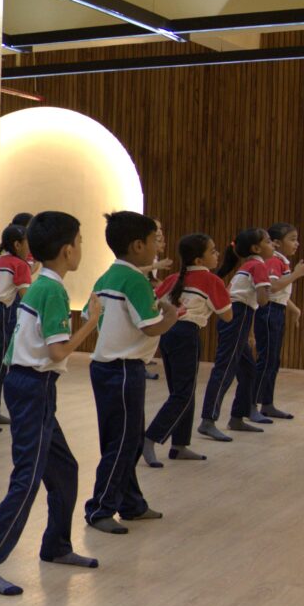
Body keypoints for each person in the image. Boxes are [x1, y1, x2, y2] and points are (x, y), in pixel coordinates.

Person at [0, 210, 101, 597]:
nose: (82, 248)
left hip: (30, 385)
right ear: (67, 250)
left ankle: (56, 545)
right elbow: (58, 351)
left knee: (65, 469)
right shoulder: (52, 290)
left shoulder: (41, 285)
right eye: (80, 242)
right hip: (33, 387)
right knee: (27, 479)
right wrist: (92, 321)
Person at [83, 211, 185, 534]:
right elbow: (151, 327)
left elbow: (88, 314)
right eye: (155, 240)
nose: (157, 246)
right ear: (138, 245)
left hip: (103, 367)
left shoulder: (105, 277)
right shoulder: (136, 280)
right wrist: (171, 316)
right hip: (125, 369)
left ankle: (131, 503)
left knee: (121, 438)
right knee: (124, 441)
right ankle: (100, 508)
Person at [144, 232, 229, 467]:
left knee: (181, 391)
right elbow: (228, 316)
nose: (217, 254)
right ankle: (150, 438)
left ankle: (179, 445)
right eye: (213, 251)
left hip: (167, 333)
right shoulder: (212, 280)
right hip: (186, 335)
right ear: (199, 260)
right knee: (183, 393)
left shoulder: (173, 278)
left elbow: (153, 302)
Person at [200, 228, 266, 439]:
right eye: (268, 242)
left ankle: (237, 417)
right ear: (256, 248)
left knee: (248, 369)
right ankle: (208, 420)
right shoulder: (258, 266)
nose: (273, 246)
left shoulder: (249, 265)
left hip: (238, 316)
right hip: (237, 317)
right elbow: (263, 300)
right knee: (225, 368)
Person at [252, 221, 304, 421]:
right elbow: (272, 287)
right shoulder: (273, 260)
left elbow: (279, 293)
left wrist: (293, 307)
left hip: (276, 310)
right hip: (269, 311)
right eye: (292, 239)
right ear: (277, 243)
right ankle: (252, 405)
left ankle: (267, 403)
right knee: (266, 360)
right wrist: (296, 274)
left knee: (273, 360)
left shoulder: (281, 260)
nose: (297, 244)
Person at [0, 218, 34, 428]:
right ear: (17, 244)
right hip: (3, 313)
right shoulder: (20, 265)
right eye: (28, 243)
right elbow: (26, 297)